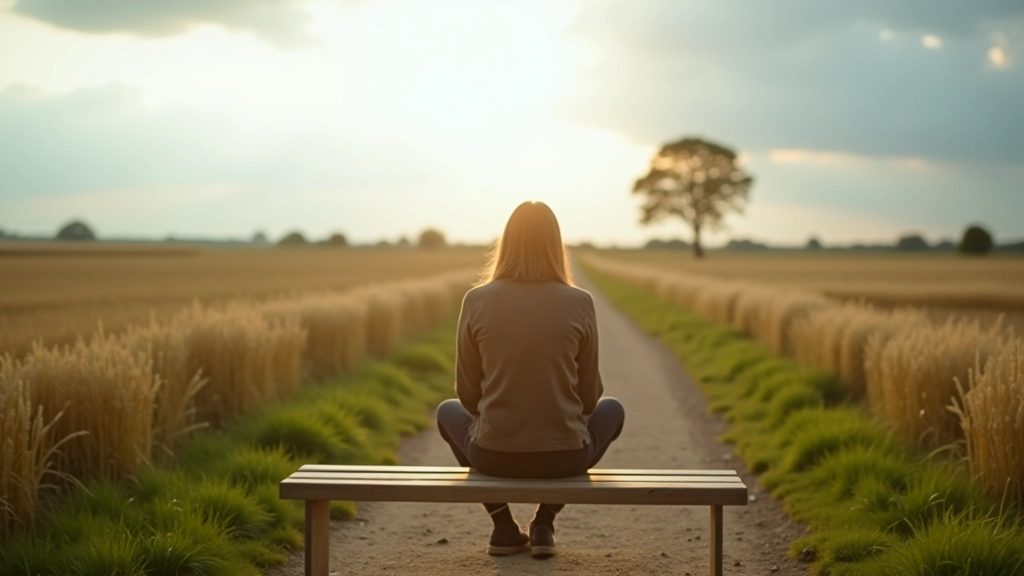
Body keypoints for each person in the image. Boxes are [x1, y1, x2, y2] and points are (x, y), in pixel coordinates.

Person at [435, 201, 626, 559]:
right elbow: (589, 400)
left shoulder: (476, 300)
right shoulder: (580, 302)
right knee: (612, 409)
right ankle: (544, 522)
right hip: (566, 457)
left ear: (506, 243)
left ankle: (503, 527)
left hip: (493, 454)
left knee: (447, 411)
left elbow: (466, 395)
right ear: (557, 246)